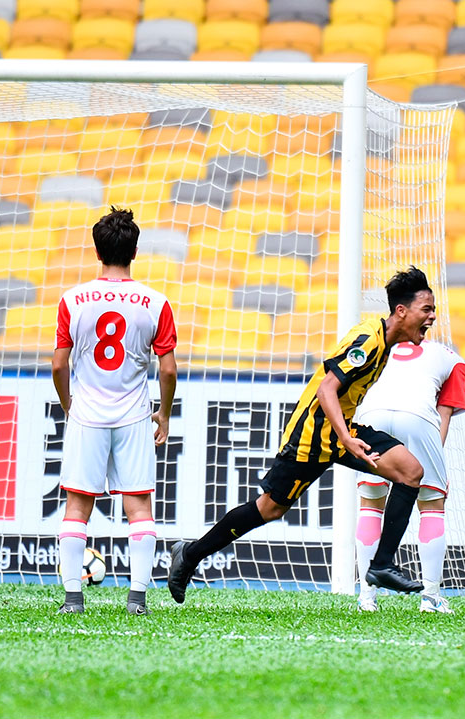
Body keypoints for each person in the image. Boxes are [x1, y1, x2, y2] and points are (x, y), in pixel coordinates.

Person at [167, 267, 433, 605]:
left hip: (340, 431)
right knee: (269, 509)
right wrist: (347, 439)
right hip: (312, 433)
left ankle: (381, 565)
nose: (432, 317)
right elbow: (326, 390)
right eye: (426, 309)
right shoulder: (368, 341)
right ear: (401, 311)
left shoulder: (385, 345)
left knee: (411, 472)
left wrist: (346, 436)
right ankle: (189, 555)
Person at [53, 207, 178, 616]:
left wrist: (69, 405)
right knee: (138, 507)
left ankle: (73, 598)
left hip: (87, 413)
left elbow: (58, 364)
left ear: (97, 250)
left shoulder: (72, 299)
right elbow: (169, 369)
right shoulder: (156, 302)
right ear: (135, 250)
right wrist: (164, 412)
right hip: (133, 414)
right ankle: (137, 598)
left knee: (77, 506)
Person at [352, 339, 465, 614]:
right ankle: (430, 597)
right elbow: (444, 414)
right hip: (418, 419)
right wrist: (434, 466)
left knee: (370, 503)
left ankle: (366, 598)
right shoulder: (452, 359)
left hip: (371, 415)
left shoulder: (376, 344)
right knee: (431, 504)